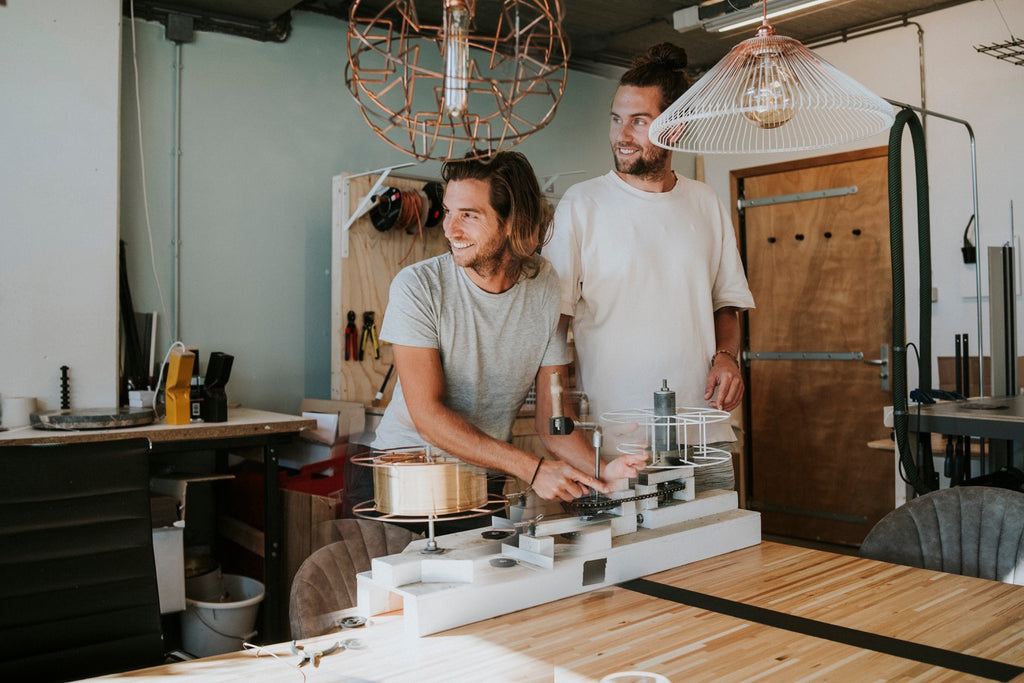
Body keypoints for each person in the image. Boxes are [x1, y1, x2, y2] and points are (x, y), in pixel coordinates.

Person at [348, 151, 646, 524]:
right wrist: (533, 469)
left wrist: (602, 471)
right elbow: (428, 416)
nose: (450, 229)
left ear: (512, 224)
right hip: (405, 482)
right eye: (448, 212)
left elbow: (553, 420)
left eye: (469, 216)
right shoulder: (418, 286)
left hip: (483, 484)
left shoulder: (544, 285)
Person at [545, 43, 755, 492]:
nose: (622, 134)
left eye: (639, 121)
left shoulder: (705, 202)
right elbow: (553, 328)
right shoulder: (582, 205)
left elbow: (726, 303)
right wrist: (563, 424)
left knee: (720, 536)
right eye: (616, 119)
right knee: (635, 539)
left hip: (706, 432)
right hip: (622, 442)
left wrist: (726, 357)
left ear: (675, 127)